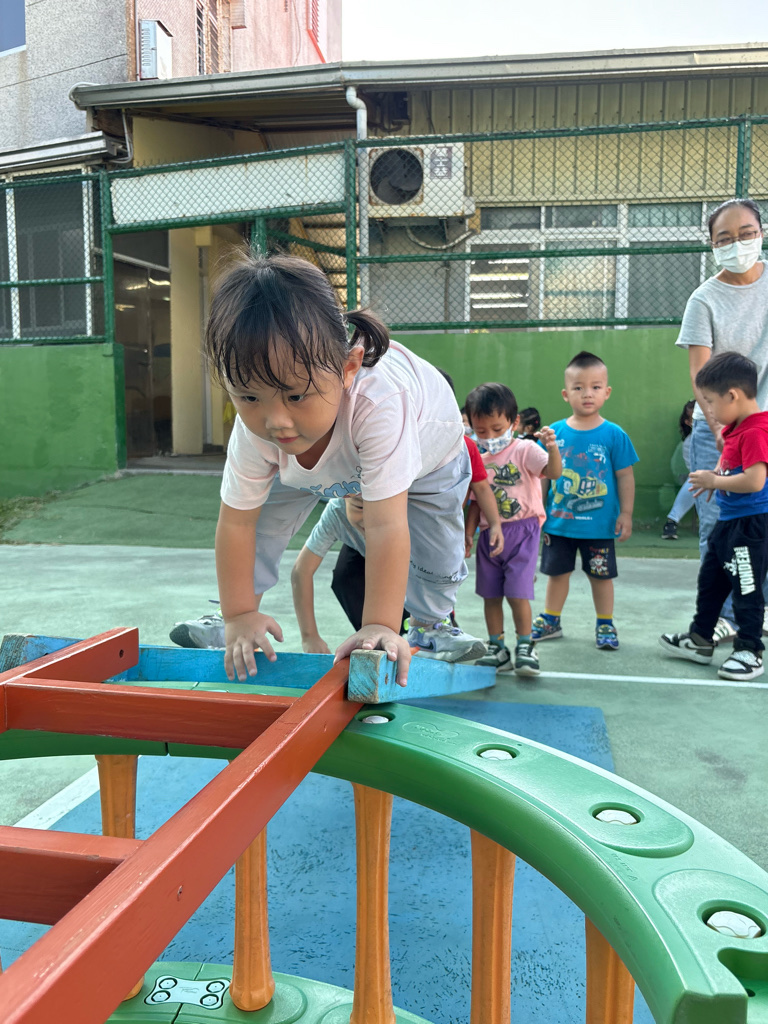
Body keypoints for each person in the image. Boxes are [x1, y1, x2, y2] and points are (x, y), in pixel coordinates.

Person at [207, 251, 486, 684]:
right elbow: (237, 522)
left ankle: (432, 622)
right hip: (326, 454)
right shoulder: (257, 430)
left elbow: (386, 525)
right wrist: (238, 613)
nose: (275, 420)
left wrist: (379, 625)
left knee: (437, 548)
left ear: (348, 368)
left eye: (296, 396)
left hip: (433, 454)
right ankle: (234, 609)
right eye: (248, 396)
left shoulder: (380, 404)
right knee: (262, 520)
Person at [676, 198, 768, 644]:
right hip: (720, 429)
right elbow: (700, 373)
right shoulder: (704, 299)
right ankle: (722, 618)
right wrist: (720, 429)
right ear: (712, 245)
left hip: (764, 427)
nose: (737, 244)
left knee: (760, 528)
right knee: (719, 529)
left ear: (761, 232)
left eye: (746, 233)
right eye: (725, 238)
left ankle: (754, 613)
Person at [659, 352, 768, 680]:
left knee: (746, 588)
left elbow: (755, 481)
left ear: (732, 395)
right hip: (728, 522)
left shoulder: (756, 431)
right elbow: (731, 463)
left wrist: (715, 481)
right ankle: (700, 639)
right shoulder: (737, 427)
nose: (706, 410)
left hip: (749, 526)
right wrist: (717, 477)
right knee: (711, 582)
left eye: (709, 401)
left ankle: (749, 650)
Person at [531, 351, 638, 651]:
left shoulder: (615, 435)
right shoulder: (554, 434)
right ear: (566, 394)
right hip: (559, 524)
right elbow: (542, 476)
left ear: (607, 392)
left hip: (599, 527)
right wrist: (539, 509)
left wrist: (626, 513)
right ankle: (551, 620)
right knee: (557, 575)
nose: (587, 393)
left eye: (595, 386)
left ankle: (605, 623)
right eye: (578, 387)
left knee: (601, 577)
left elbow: (625, 477)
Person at [464, 383, 562, 676]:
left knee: (518, 593)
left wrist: (552, 448)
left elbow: (553, 472)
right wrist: (469, 533)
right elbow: (475, 501)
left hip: (523, 531)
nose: (490, 437)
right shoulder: (476, 457)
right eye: (481, 431)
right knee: (490, 595)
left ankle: (525, 645)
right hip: (489, 536)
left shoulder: (524, 449)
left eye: (497, 429)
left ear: (514, 422)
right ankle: (497, 647)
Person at [291, 495, 408, 652]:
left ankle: (427, 623)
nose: (371, 521)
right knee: (345, 576)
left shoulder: (415, 511)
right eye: (360, 507)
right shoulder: (337, 511)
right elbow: (301, 570)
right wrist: (309, 636)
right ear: (344, 497)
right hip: (362, 552)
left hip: (411, 555)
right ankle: (371, 638)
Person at [661, 399, 696, 540]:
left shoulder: (722, 435)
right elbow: (694, 470)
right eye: (695, 418)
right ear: (688, 422)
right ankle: (672, 521)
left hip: (728, 477)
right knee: (695, 479)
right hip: (706, 480)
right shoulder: (689, 443)